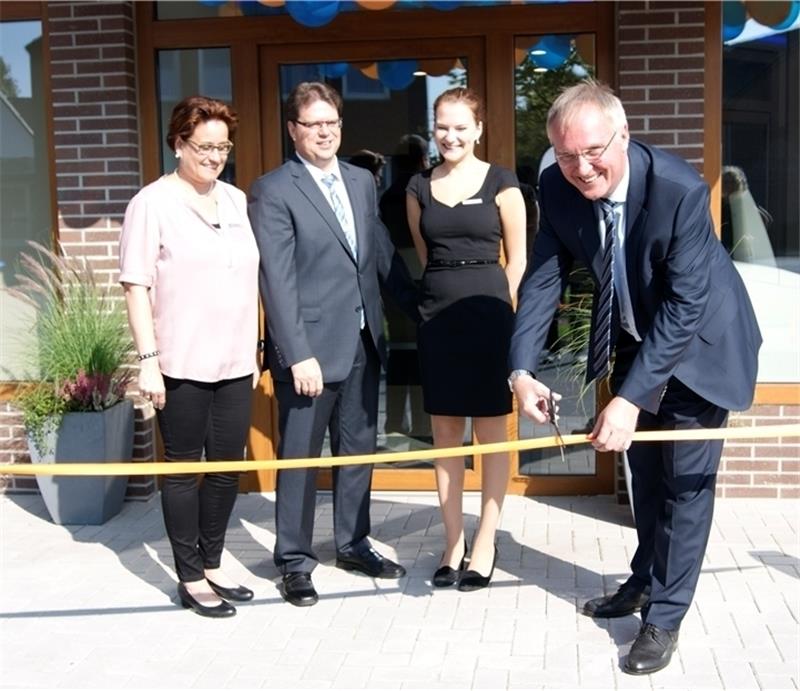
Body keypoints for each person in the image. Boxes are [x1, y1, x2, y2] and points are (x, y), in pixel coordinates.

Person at [509, 80, 761, 674]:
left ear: (622, 135)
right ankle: (645, 580)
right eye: (566, 155)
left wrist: (628, 400)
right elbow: (544, 279)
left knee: (685, 486)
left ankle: (665, 618)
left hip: (702, 344)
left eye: (593, 151)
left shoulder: (678, 190)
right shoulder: (555, 184)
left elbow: (683, 309)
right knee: (644, 477)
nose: (580, 167)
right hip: (632, 333)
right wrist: (521, 370)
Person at [248, 82, 420, 608]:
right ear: (293, 130)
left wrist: (422, 308)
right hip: (310, 352)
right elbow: (276, 280)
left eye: (332, 122)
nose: (325, 131)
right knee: (299, 456)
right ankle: (294, 560)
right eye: (313, 123)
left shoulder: (361, 181)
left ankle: (352, 542)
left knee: (358, 450)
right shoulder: (273, 190)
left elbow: (379, 255)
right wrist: (296, 352)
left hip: (365, 340)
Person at [119, 95, 259, 618]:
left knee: (226, 468)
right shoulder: (151, 203)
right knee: (182, 470)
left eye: (223, 147)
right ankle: (189, 574)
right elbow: (136, 286)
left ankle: (215, 560)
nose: (215, 156)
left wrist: (257, 347)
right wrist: (147, 359)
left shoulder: (236, 200)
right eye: (204, 146)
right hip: (177, 361)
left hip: (235, 360)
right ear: (179, 143)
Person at [406, 87, 527, 591]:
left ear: (479, 129)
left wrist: (505, 312)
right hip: (438, 317)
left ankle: (485, 542)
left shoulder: (503, 182)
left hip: (490, 315)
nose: (450, 136)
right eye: (442, 126)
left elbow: (518, 259)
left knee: (492, 436)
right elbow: (424, 253)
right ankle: (453, 540)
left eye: (460, 126)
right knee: (446, 436)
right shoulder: (416, 187)